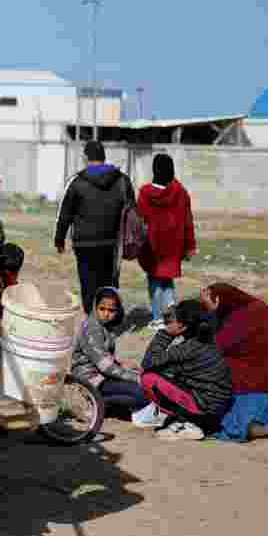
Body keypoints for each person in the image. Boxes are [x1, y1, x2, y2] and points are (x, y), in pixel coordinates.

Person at [54, 140, 135, 314]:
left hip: (84, 244)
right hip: (112, 243)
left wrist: (59, 239)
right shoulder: (122, 180)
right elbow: (133, 212)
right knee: (109, 282)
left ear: (86, 157)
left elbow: (65, 213)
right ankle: (108, 320)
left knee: (88, 283)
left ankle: (92, 319)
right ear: (104, 156)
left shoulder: (76, 182)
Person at [140, 300, 233, 441]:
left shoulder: (188, 349)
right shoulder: (206, 338)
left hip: (206, 410)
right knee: (166, 375)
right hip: (217, 405)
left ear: (183, 326)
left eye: (174, 319)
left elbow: (148, 362)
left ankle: (188, 422)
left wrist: (166, 334)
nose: (170, 321)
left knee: (148, 378)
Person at [71, 288, 163, 427]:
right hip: (91, 380)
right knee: (142, 391)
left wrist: (123, 365)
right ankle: (98, 405)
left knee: (144, 381)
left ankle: (106, 404)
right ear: (95, 307)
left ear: (118, 310)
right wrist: (135, 378)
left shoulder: (103, 326)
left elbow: (104, 358)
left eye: (111, 310)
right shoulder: (93, 328)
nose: (106, 314)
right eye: (102, 309)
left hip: (101, 376)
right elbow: (105, 366)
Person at [200, 283, 268, 398]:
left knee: (208, 366)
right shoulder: (249, 308)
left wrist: (211, 313)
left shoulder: (245, 316)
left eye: (206, 305)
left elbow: (215, 347)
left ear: (219, 301)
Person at [137, 153, 196, 320]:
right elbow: (188, 222)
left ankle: (157, 319)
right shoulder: (181, 193)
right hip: (173, 245)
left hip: (152, 245)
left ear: (154, 170)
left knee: (154, 280)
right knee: (167, 278)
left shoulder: (145, 193)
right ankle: (171, 311)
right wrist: (190, 246)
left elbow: (140, 221)